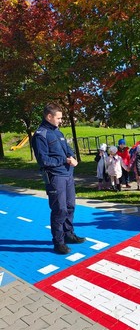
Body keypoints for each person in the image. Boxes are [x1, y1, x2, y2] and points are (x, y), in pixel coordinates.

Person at [32, 103, 85, 255]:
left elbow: (68, 150)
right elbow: (44, 161)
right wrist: (65, 161)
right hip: (55, 177)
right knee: (59, 210)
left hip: (67, 174)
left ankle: (68, 235)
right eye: (59, 118)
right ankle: (58, 242)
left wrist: (72, 157)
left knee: (70, 206)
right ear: (49, 117)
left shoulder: (58, 132)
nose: (61, 121)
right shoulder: (40, 135)